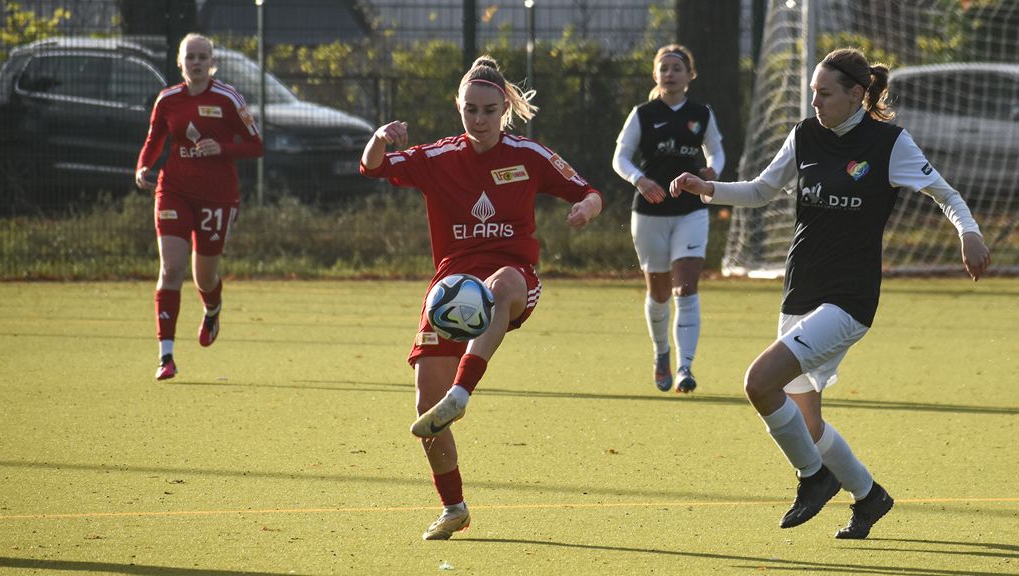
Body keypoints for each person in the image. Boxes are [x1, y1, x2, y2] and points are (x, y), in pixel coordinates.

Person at [670, 47, 990, 539]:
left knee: (759, 382)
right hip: (801, 289)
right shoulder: (804, 134)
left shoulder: (890, 143)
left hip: (849, 298)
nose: (815, 101)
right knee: (807, 423)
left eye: (824, 93)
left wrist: (969, 232)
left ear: (857, 95)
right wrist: (706, 188)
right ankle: (869, 496)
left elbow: (945, 193)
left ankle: (813, 478)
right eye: (812, 92)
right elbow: (761, 190)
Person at [360, 55, 602, 540]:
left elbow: (589, 191)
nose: (480, 119)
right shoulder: (438, 158)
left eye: (489, 110)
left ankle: (463, 393)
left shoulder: (528, 155)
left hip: (515, 279)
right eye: (471, 109)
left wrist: (585, 209)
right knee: (426, 409)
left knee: (500, 286)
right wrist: (381, 137)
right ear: (459, 107)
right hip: (451, 290)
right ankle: (454, 507)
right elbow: (372, 166)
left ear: (504, 109)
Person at [135, 33, 264, 380]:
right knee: (170, 269)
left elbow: (256, 145)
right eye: (190, 56)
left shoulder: (227, 98)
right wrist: (143, 167)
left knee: (203, 277)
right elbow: (153, 141)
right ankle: (166, 357)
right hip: (173, 191)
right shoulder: (167, 100)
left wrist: (222, 147)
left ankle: (212, 307)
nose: (196, 62)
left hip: (217, 196)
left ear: (212, 62)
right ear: (180, 62)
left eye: (202, 57)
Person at [612, 44, 725, 394]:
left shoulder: (701, 113)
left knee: (686, 287)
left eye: (677, 68)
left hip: (691, 210)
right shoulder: (643, 113)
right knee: (659, 293)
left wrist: (712, 171)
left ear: (690, 75)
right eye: (664, 68)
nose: (670, 74)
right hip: (650, 212)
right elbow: (620, 158)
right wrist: (640, 180)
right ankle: (662, 352)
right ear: (655, 75)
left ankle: (685, 367)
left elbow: (716, 152)